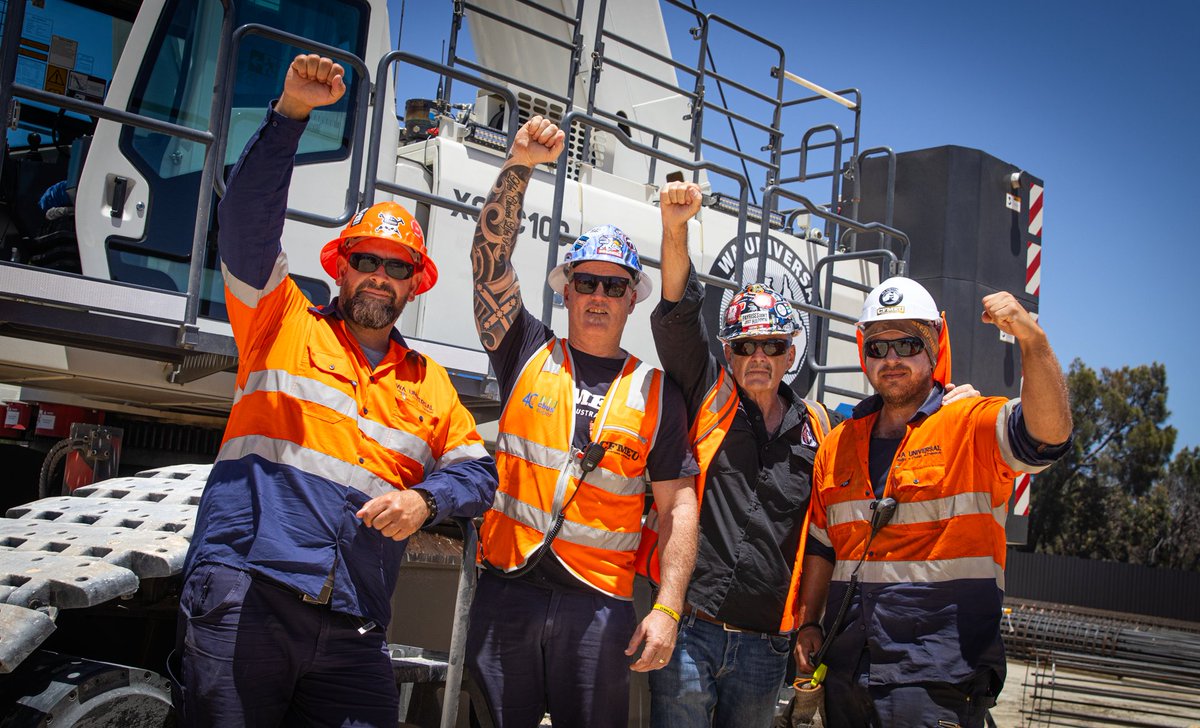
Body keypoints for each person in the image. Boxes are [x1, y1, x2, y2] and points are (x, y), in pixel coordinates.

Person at [175, 55, 498, 727]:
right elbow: (244, 227)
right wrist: (291, 113)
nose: (380, 276)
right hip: (249, 596)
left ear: (415, 284)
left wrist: (424, 500)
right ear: (341, 267)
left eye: (397, 267)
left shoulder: (429, 384)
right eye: (367, 261)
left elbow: (479, 472)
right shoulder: (279, 321)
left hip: (351, 624)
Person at [645, 182, 978, 727]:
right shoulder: (708, 394)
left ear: (791, 353)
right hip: (691, 629)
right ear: (726, 351)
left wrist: (948, 403)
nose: (759, 356)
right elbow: (680, 312)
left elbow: (893, 417)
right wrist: (675, 228)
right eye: (745, 345)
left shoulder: (822, 428)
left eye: (773, 345)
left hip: (764, 649)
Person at [466, 115, 700, 728]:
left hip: (598, 607)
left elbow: (678, 507)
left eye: (613, 285)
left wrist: (668, 608)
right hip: (506, 591)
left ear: (631, 298)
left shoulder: (657, 393)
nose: (598, 295)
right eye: (586, 281)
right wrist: (518, 164)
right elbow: (488, 262)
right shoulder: (525, 352)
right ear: (566, 291)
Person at [796, 276, 1073, 727]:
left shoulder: (970, 424)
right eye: (877, 347)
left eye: (907, 344)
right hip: (847, 672)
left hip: (937, 678)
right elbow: (823, 548)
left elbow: (1048, 435)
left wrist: (1032, 340)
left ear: (934, 345)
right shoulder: (838, 445)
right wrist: (810, 624)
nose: (891, 360)